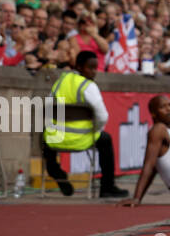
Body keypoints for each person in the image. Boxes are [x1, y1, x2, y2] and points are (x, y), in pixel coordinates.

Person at [41, 51, 129, 198]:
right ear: (79, 67)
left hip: (55, 139)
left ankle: (56, 172)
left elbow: (48, 108)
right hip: (82, 140)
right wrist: (96, 130)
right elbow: (102, 116)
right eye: (91, 68)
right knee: (105, 139)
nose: (94, 72)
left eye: (96, 68)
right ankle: (107, 187)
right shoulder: (89, 87)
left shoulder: (60, 82)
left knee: (44, 136)